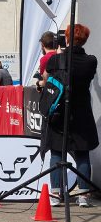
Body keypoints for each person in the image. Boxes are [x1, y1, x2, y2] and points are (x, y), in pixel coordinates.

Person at [42, 24, 98, 207]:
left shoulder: (56, 60)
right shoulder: (91, 61)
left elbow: (45, 81)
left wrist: (60, 55)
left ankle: (56, 195)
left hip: (59, 112)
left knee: (57, 152)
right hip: (82, 112)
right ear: (85, 40)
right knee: (82, 154)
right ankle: (83, 196)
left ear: (66, 38)